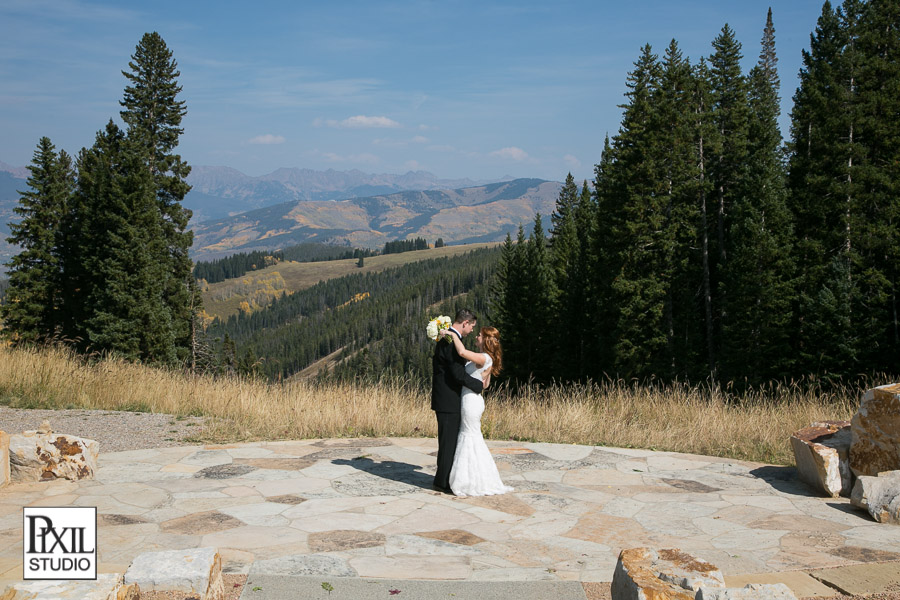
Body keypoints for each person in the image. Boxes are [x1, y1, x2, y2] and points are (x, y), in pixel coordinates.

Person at [439, 325, 514, 497]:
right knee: (472, 436)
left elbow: (463, 352)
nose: (476, 337)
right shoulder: (486, 359)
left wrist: (451, 334)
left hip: (470, 400)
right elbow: (484, 384)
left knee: (468, 436)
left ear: (486, 340)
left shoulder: (484, 357)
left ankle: (467, 480)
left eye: (479, 335)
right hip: (474, 399)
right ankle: (475, 477)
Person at [431, 309, 484, 494]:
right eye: (472, 327)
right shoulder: (450, 340)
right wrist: (478, 386)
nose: (471, 331)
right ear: (465, 323)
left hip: (446, 397)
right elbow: (457, 373)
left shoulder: (448, 337)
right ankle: (442, 483)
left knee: (449, 440)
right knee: (448, 442)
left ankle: (444, 478)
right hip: (448, 399)